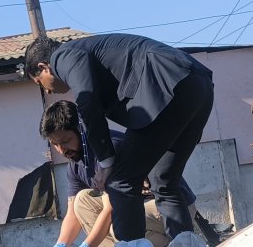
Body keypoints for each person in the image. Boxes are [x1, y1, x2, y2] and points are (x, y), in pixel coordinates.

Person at [24, 34, 214, 243]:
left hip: (164, 86)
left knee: (120, 183)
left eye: (39, 82)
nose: (47, 90)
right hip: (197, 84)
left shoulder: (62, 56)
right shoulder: (90, 52)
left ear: (44, 67)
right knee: (164, 180)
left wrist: (106, 162)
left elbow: (87, 100)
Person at [40, 100, 199, 247]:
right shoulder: (75, 164)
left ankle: (172, 242)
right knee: (82, 201)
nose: (61, 150)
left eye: (65, 141)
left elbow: (112, 209)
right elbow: (72, 214)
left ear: (81, 130)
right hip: (137, 209)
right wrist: (60, 245)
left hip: (172, 211)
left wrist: (86, 246)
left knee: (119, 224)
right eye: (55, 144)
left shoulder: (109, 148)